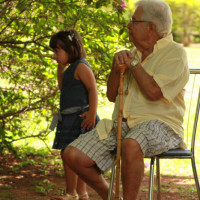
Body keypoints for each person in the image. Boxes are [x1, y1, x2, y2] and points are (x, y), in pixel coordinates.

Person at [63, 0, 189, 200]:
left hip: (163, 127)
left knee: (131, 143)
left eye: (134, 21)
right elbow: (112, 96)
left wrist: (134, 64)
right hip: (123, 125)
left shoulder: (176, 53)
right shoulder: (133, 53)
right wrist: (116, 67)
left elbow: (154, 92)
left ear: (151, 27)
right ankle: (113, 198)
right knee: (72, 154)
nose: (128, 25)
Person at [49, 29, 100, 200]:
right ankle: (78, 193)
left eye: (57, 51)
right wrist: (60, 68)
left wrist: (92, 113)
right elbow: (63, 87)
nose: (54, 56)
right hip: (69, 120)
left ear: (70, 48)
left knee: (75, 156)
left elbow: (93, 89)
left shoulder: (81, 66)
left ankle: (74, 193)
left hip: (81, 119)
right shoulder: (71, 69)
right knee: (70, 156)